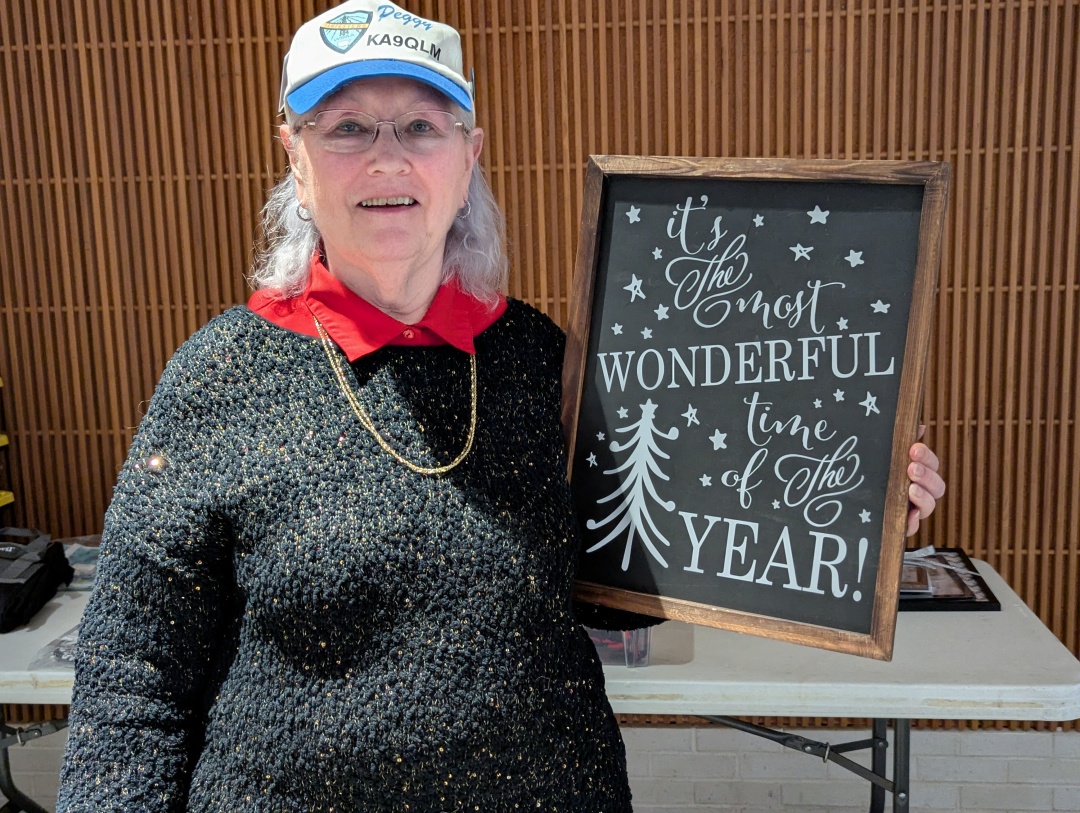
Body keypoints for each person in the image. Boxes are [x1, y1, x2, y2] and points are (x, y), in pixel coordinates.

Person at [57, 2, 946, 810]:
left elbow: (620, 588)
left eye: (421, 125)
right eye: (347, 127)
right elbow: (132, 671)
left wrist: (856, 508)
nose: (388, 157)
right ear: (294, 153)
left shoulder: (539, 358)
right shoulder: (219, 375)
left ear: (469, 155)